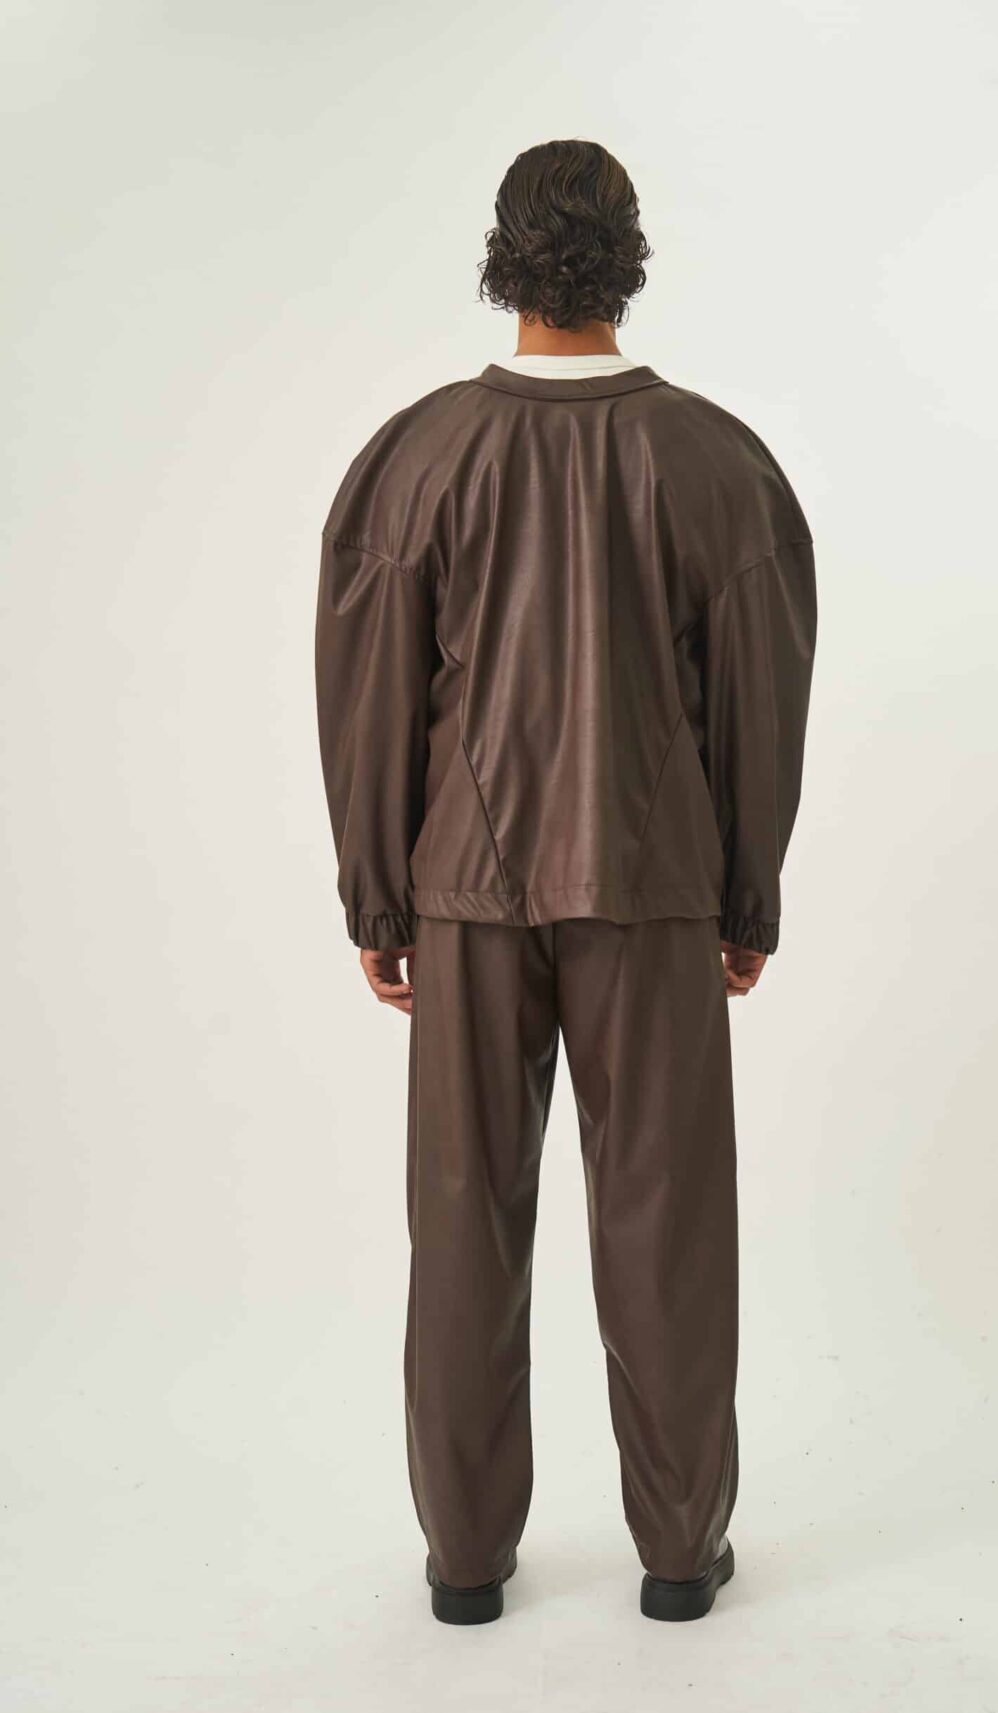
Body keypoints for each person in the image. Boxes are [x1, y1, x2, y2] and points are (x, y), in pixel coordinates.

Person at [315, 139, 818, 1625]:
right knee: (668, 1224)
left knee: (463, 1222)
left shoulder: (417, 456)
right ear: (630, 257)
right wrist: (746, 893)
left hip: (462, 897)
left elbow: (367, 693)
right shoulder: (717, 461)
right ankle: (681, 1555)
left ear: (503, 257)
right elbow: (763, 694)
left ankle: (467, 1564)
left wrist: (379, 899)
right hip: (656, 894)